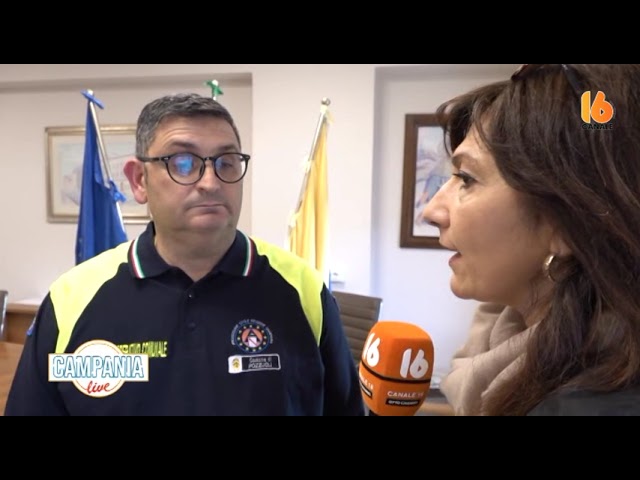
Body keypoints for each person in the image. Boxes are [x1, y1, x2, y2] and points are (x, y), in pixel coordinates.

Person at [6, 93, 364, 416]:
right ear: (139, 180)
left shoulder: (303, 291)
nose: (210, 182)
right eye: (182, 163)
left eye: (226, 162)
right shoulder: (72, 300)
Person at [422, 64, 640, 416]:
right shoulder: (506, 339)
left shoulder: (591, 405)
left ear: (564, 223)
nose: (431, 211)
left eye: (466, 178)